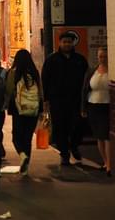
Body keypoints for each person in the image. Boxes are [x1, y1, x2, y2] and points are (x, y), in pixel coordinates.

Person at [41, 31, 89, 166]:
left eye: (69, 42)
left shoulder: (80, 59)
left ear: (73, 43)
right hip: (57, 101)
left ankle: (74, 146)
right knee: (60, 127)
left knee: (77, 125)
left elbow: (86, 80)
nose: (67, 44)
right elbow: (45, 79)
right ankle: (64, 153)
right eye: (64, 42)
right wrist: (46, 100)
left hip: (76, 100)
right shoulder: (51, 60)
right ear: (59, 43)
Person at [3, 48, 42, 176]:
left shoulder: (13, 73)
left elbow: (8, 90)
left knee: (16, 137)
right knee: (28, 137)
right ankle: (26, 166)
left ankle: (22, 155)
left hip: (18, 109)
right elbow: (40, 91)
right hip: (34, 108)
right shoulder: (35, 72)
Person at [82, 47, 111, 176]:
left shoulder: (112, 71)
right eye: (100, 56)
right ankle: (105, 161)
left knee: (107, 136)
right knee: (99, 136)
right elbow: (85, 89)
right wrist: (83, 108)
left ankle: (110, 164)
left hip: (107, 106)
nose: (102, 59)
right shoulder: (92, 71)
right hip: (93, 105)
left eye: (104, 56)